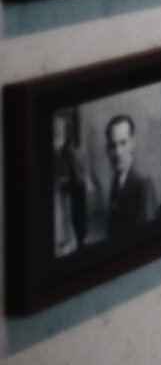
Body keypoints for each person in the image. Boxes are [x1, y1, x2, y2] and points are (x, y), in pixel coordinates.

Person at [103, 114, 157, 240]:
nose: (117, 152)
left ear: (132, 143)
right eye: (112, 146)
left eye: (123, 143)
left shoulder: (143, 183)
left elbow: (148, 236)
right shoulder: (117, 178)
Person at [52, 108, 94, 258]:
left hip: (74, 188)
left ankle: (79, 239)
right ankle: (72, 240)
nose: (58, 141)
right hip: (66, 190)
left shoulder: (70, 152)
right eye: (56, 136)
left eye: (61, 136)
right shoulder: (58, 154)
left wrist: (83, 179)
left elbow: (78, 169)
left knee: (77, 214)